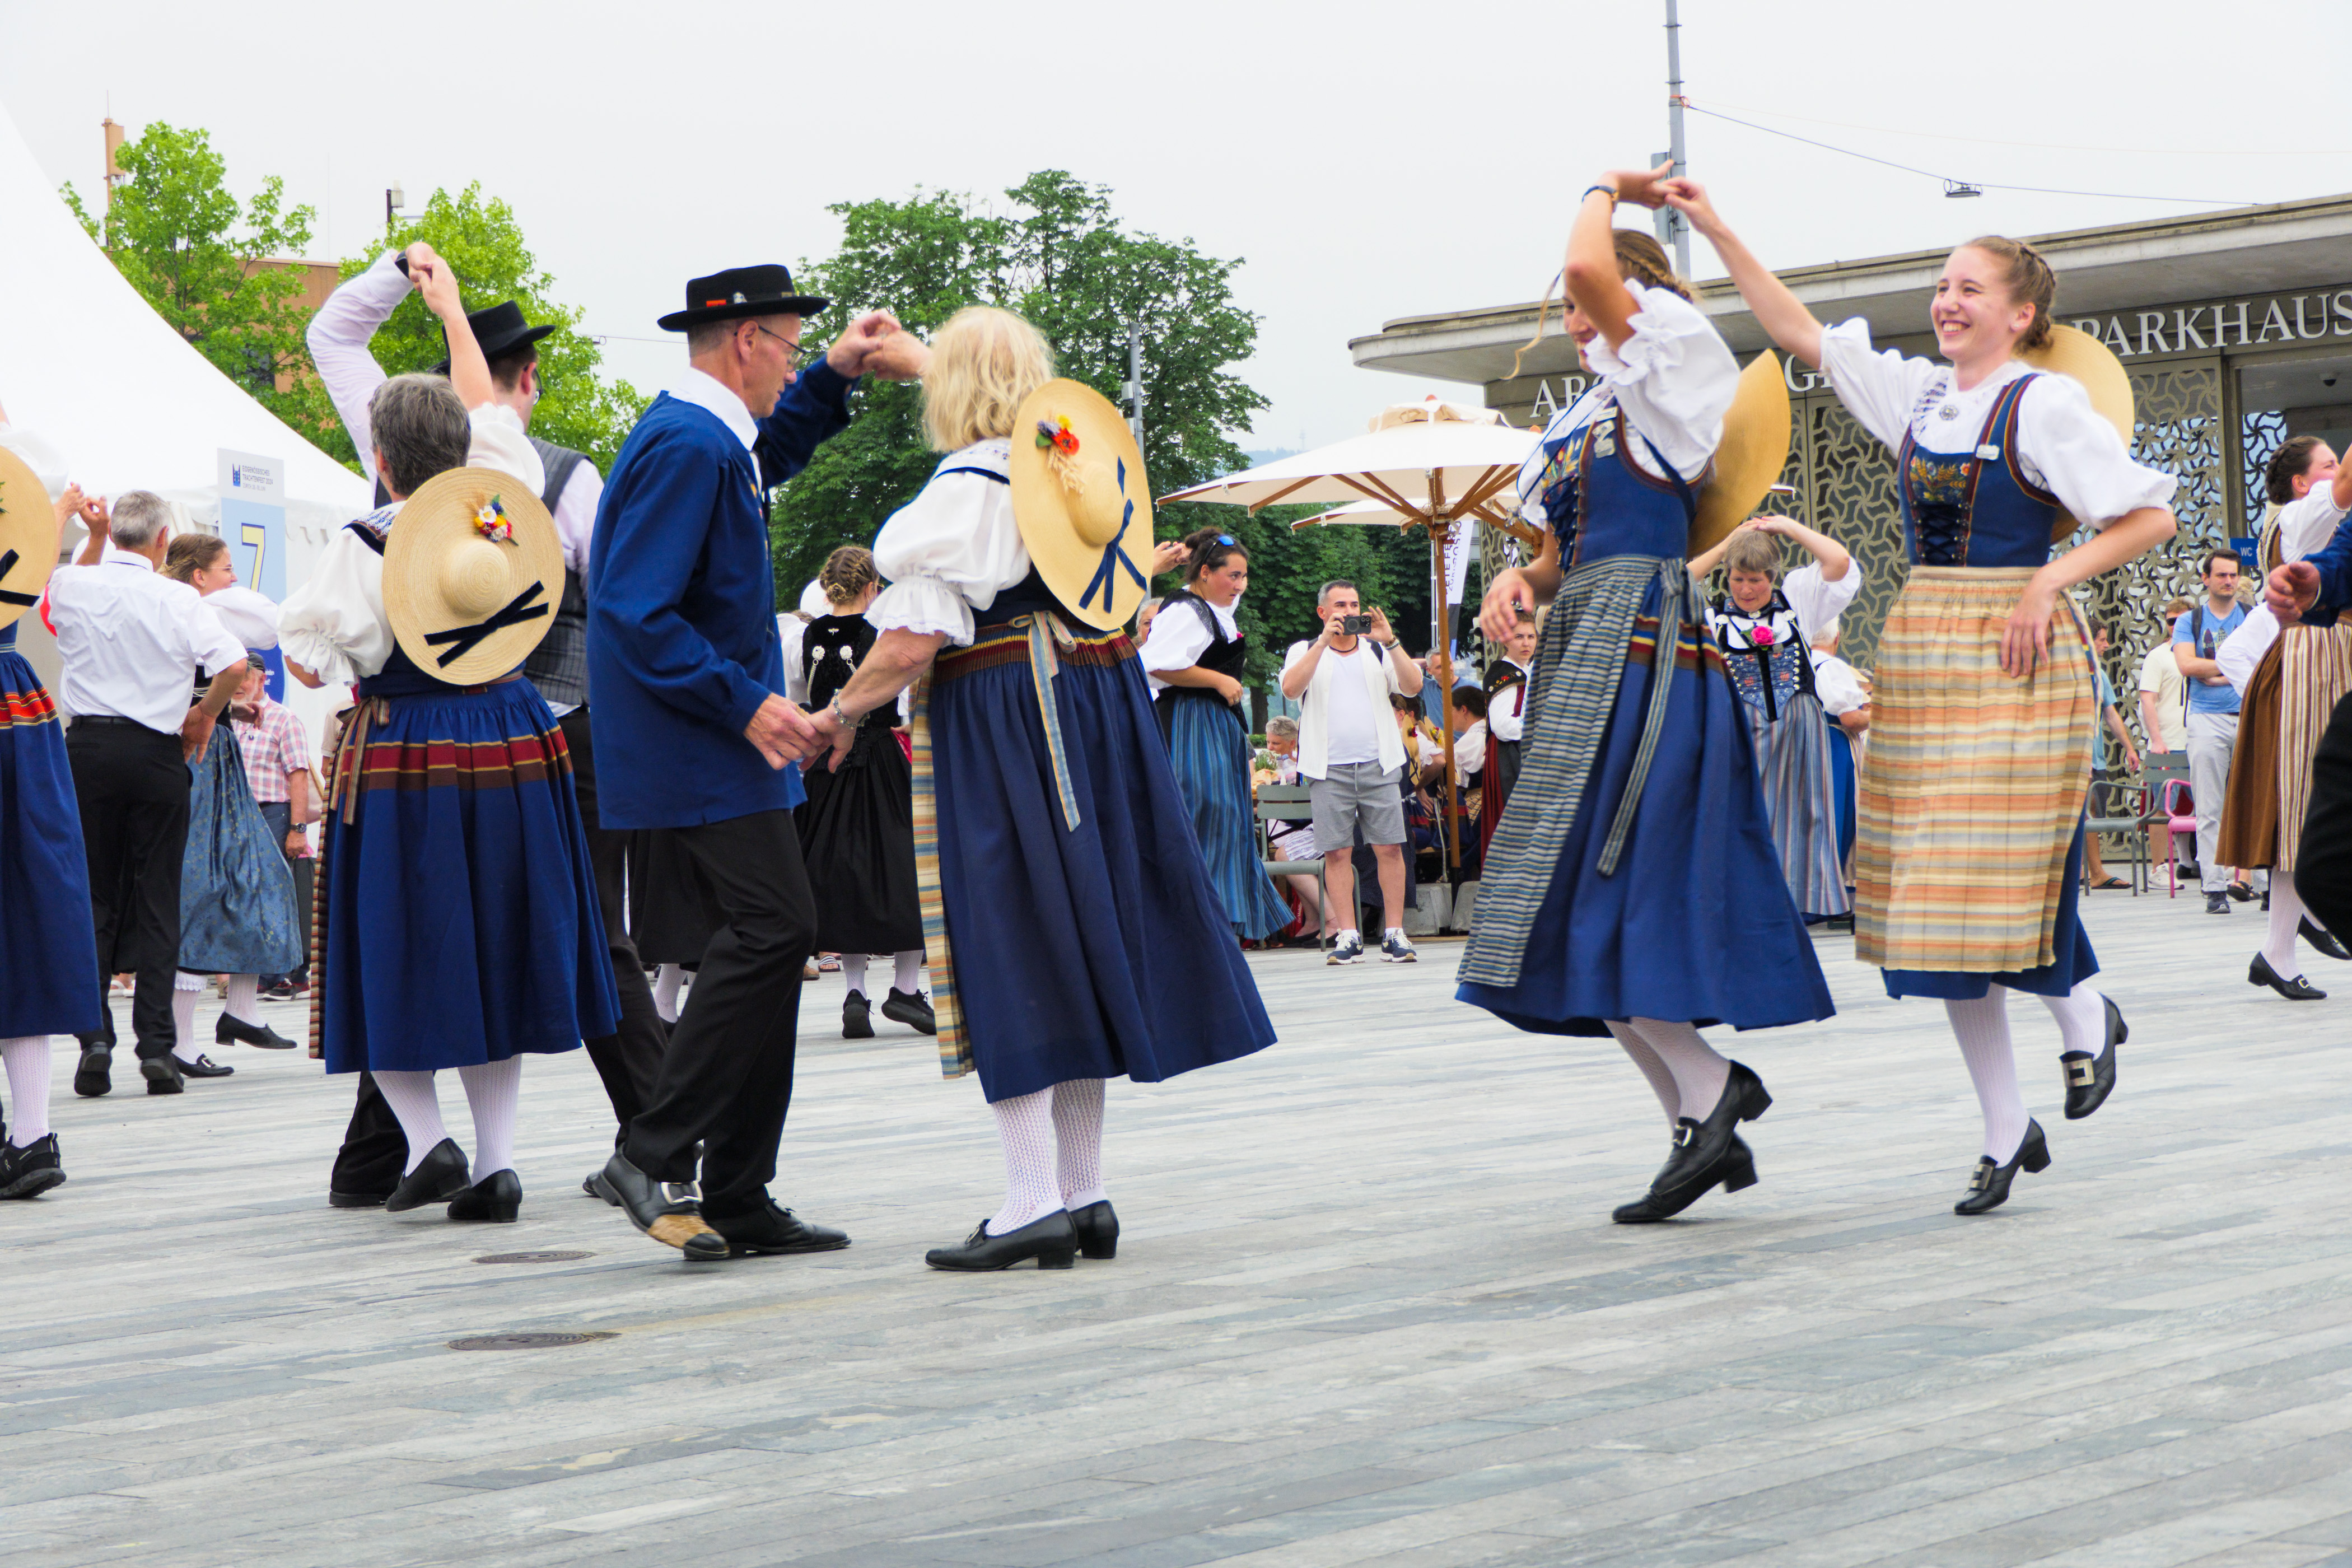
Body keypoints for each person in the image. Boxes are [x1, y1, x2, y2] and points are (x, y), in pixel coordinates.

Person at [1665, 176, 2177, 1214]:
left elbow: (2145, 518)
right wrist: (1718, 226)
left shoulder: (2047, 403)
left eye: (1970, 288)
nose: (1947, 302)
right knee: (1935, 899)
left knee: (2003, 868)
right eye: (1943, 285)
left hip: (2019, 651)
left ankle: (2083, 1014)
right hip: (1931, 645)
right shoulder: (1924, 398)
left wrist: (2047, 580)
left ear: (2021, 314)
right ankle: (2006, 1125)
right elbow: (1798, 330)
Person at [801, 306, 1276, 1270]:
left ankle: (1030, 1200)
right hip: (1096, 706)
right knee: (1081, 935)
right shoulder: (1073, 473)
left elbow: (910, 638)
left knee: (1009, 938)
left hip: (1010, 711)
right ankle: (1083, 1191)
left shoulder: (964, 488)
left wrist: (833, 718)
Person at [1459, 166, 1834, 1226]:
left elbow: (1588, 258)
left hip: (1646, 654)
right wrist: (1513, 583)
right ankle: (1696, 1119)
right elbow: (1551, 554)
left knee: (1606, 883)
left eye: (1585, 307)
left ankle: (1710, 1097)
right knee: (1572, 892)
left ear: (1633, 298)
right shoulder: (1589, 411)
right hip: (1588, 644)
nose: (1574, 318)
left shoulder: (1670, 368)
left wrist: (1603, 188)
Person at [307, 240, 667, 1204]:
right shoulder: (509, 479)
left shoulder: (369, 538)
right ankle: (488, 1157)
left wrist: (412, 276)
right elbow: (614, 584)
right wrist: (454, 311)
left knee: (401, 947)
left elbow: (311, 655)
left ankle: (430, 1146)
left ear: (377, 458)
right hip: (526, 730)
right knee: (517, 938)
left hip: (411, 745)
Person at [586, 263, 910, 1262]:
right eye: (787, 345)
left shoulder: (703, 436)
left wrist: (834, 374)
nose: (786, 364)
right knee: (779, 925)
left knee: (769, 938)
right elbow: (632, 605)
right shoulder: (689, 445)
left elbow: (769, 452)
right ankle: (653, 1148)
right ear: (744, 344)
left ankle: (735, 1188)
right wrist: (747, 701)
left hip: (713, 737)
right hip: (704, 738)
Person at [43, 490, 249, 1099]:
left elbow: (54, 590)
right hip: (158, 753)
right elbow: (235, 664)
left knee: (96, 898)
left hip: (87, 753)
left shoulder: (77, 585)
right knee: (159, 897)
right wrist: (204, 714)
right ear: (164, 542)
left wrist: (89, 531)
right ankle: (157, 1045)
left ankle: (95, 1038)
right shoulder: (178, 597)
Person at [0, 414, 102, 1197]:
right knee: (24, 913)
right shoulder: (22, 482)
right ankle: (33, 1135)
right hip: (17, 707)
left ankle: (30, 1136)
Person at [157, 533, 303, 1072]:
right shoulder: (192, 608)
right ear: (198, 575)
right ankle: (178, 1040)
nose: (233, 578)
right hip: (194, 756)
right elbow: (248, 649)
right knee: (198, 888)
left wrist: (221, 713)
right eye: (225, 568)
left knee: (259, 876)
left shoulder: (193, 610)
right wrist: (209, 710)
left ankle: (239, 1010)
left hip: (214, 753)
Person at [2215, 436, 2352, 999]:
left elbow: (2241, 647)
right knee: (2305, 809)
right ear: (2304, 482)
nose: (2337, 470)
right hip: (2318, 659)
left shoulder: (2289, 521)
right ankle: (2294, 934)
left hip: (2310, 659)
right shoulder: (2308, 511)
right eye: (2329, 462)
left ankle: (2285, 942)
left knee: (2303, 809)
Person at [1687, 515, 1860, 919]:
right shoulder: (1711, 619)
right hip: (1737, 731)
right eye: (1737, 580)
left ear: (1772, 576)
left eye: (1756, 580)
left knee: (1804, 817)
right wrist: (1729, 539)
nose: (1746, 590)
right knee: (1740, 814)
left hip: (1800, 728)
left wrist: (1788, 528)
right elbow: (1674, 583)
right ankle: (1741, 904)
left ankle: (1798, 906)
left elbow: (1839, 564)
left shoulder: (1798, 601)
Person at [796, 546, 933, 1038]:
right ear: (873, 585)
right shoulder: (882, 632)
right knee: (907, 871)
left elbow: (802, 692)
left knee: (842, 877)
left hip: (827, 769)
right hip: (879, 757)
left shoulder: (808, 632)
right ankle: (906, 987)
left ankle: (855, 992)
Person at [1143, 528, 1292, 939]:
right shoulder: (1186, 611)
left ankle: (1219, 921)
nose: (1240, 585)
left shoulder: (1216, 605)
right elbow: (1153, 664)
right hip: (1191, 722)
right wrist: (1214, 679)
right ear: (1206, 573)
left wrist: (1207, 545)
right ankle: (1193, 920)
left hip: (1215, 724)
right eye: (1233, 576)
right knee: (1204, 811)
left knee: (1228, 817)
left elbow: (1214, 555)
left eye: (1245, 577)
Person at [1278, 581, 1425, 964]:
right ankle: (1347, 934)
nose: (1348, 611)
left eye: (1355, 603)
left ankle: (1395, 932)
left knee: (1390, 848)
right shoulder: (1305, 649)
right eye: (1339, 605)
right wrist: (1323, 643)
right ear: (1322, 613)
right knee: (1337, 851)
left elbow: (1413, 687)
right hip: (1328, 768)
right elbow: (1292, 690)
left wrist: (1391, 641)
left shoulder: (1377, 649)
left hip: (1378, 762)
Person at [2175, 550, 2257, 912]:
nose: (2229, 581)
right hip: (2207, 719)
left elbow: (2263, 662)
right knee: (2210, 807)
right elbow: (2186, 664)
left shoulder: (2253, 618)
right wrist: (2231, 668)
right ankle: (2215, 887)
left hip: (2250, 715)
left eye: (2233, 575)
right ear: (2205, 579)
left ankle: (2264, 884)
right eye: (2221, 575)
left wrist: (2215, 673)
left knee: (2257, 803)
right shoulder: (2190, 621)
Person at [230, 664, 315, 999]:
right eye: (233, 679)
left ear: (263, 679)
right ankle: (269, 971)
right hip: (238, 815)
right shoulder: (230, 719)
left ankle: (282, 973)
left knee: (275, 892)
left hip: (273, 812)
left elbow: (298, 775)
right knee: (246, 894)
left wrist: (297, 828)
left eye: (246, 677)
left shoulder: (284, 718)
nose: (238, 685)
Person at [2080, 623, 2142, 892]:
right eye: (2101, 640)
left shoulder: (2099, 674)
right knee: (2085, 814)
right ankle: (2095, 872)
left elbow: (2111, 714)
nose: (2106, 645)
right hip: (2077, 758)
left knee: (2091, 813)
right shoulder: (2073, 671)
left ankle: (2092, 872)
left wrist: (2128, 747)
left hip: (2096, 758)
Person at [1479, 613, 1537, 866]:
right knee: (1516, 829)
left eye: (1531, 637)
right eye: (1519, 637)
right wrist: (1540, 727)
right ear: (1505, 640)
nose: (1526, 643)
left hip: (1524, 755)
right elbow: (1503, 727)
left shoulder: (1530, 671)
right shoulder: (1503, 674)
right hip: (1509, 758)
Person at [2137, 598, 2193, 759]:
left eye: (2182, 620)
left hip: (2199, 743)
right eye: (2171, 621)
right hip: (2170, 745)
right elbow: (2147, 701)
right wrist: (2156, 741)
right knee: (2166, 785)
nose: (2176, 626)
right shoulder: (2157, 656)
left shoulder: (2201, 654)